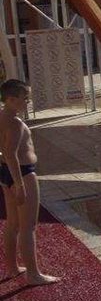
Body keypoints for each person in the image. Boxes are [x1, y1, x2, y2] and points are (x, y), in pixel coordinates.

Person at [1, 79, 60, 285]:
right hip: (23, 174)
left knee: (12, 224)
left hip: (5, 173)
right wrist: (19, 185)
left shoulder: (1, 116)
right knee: (28, 226)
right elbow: (10, 153)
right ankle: (34, 275)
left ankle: (12, 267)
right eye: (25, 98)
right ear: (10, 99)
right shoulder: (15, 123)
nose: (28, 101)